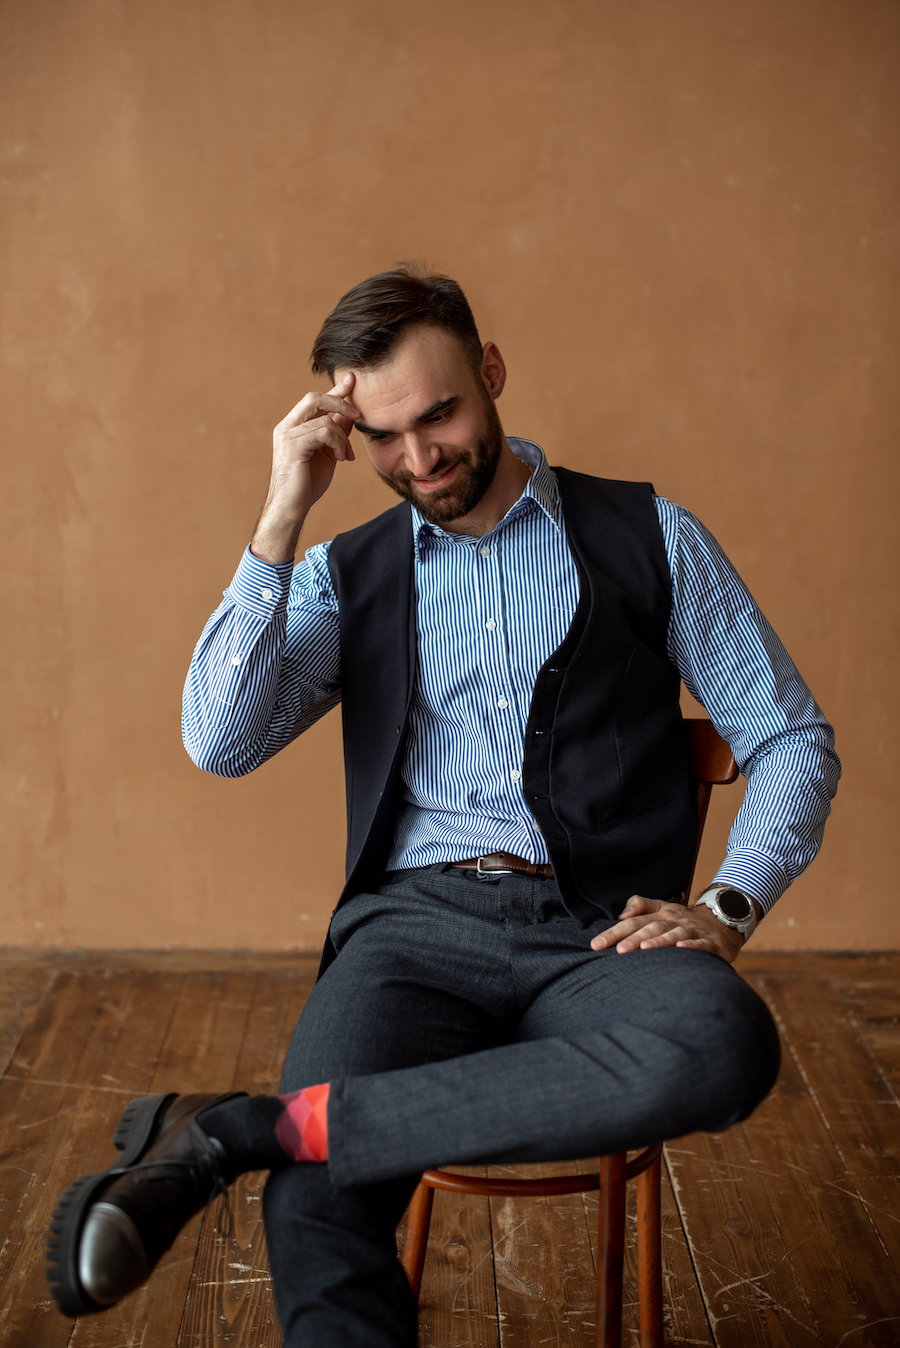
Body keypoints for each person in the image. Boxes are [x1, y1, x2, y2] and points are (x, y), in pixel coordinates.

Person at [46, 265, 839, 1345]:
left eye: (440, 415)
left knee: (724, 1044)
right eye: (381, 436)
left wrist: (728, 906)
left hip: (603, 933)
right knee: (317, 1204)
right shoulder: (345, 573)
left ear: (492, 372)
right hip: (411, 936)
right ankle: (300, 1138)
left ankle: (249, 1129)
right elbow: (221, 742)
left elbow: (791, 736)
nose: (418, 458)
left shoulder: (649, 534)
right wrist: (282, 514)